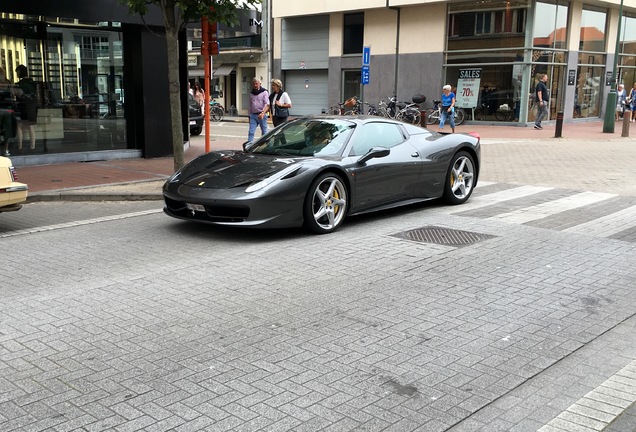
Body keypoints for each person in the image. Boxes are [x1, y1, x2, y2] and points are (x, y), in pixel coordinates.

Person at [14, 65, 37, 151]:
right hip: (32, 106)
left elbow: (18, 94)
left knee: (19, 126)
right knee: (30, 126)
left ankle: (20, 146)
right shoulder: (33, 83)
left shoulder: (20, 84)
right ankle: (32, 146)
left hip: (23, 106)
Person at [248, 77, 269, 142]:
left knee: (264, 132)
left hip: (261, 115)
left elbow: (267, 104)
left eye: (256, 84)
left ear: (260, 84)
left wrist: (263, 113)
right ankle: (249, 145)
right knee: (251, 132)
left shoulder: (264, 92)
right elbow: (250, 105)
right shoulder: (251, 93)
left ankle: (264, 145)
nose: (255, 85)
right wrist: (249, 115)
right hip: (253, 115)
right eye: (254, 84)